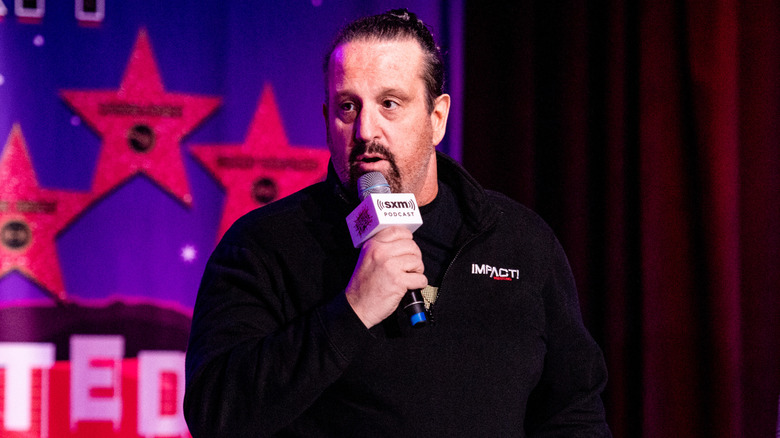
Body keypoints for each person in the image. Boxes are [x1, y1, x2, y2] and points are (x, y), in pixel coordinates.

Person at [184, 8, 611, 437]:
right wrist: (351, 311)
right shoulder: (263, 245)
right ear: (326, 119)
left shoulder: (517, 240)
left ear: (437, 117)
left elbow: (573, 410)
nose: (366, 129)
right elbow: (215, 414)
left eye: (390, 104)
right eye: (347, 106)